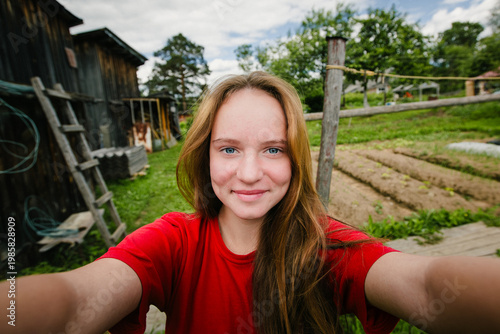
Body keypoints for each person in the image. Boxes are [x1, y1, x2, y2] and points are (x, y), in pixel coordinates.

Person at [1, 71, 500, 334]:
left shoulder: (325, 248)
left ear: (296, 159)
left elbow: (426, 283)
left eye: (273, 149)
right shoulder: (173, 242)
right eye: (229, 149)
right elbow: (69, 304)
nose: (248, 173)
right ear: (205, 155)